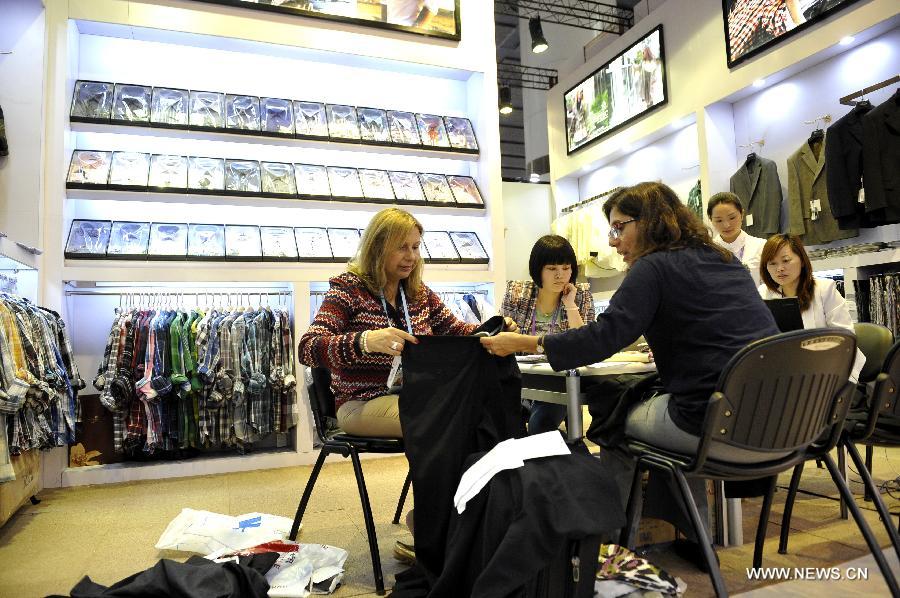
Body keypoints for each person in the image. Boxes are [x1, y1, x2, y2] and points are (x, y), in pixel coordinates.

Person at [481, 182, 780, 555]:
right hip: (776, 420)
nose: (611, 241)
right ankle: (693, 535)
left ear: (649, 222)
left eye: (619, 227)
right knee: (638, 405)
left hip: (712, 422)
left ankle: (605, 546)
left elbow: (601, 339)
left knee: (613, 417)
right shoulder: (724, 259)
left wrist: (525, 343)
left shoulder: (653, 267)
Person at [298, 207, 515, 438]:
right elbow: (308, 348)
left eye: (415, 247)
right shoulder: (349, 290)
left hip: (415, 395)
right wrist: (365, 341)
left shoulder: (418, 294)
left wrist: (495, 329)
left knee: (483, 412)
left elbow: (459, 331)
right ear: (377, 248)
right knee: (448, 420)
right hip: (359, 403)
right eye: (402, 247)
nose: (411, 256)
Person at [501, 235, 593, 434]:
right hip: (522, 378)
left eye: (566, 268)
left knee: (539, 425)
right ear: (538, 269)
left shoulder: (581, 294)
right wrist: (508, 327)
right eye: (552, 269)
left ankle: (564, 457)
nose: (560, 275)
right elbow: (505, 336)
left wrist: (570, 305)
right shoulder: (518, 292)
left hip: (559, 380)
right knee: (506, 426)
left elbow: (585, 344)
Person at [758, 233, 865, 382]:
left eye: (786, 260)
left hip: (830, 370)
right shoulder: (763, 294)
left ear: (802, 260)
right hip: (785, 372)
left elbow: (845, 338)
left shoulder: (824, 289)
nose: (779, 269)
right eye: (772, 263)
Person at [708, 191, 767, 285]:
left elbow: (768, 285)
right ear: (710, 219)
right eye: (719, 220)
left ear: (742, 214)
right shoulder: (706, 251)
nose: (726, 225)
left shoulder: (761, 246)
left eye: (732, 218)